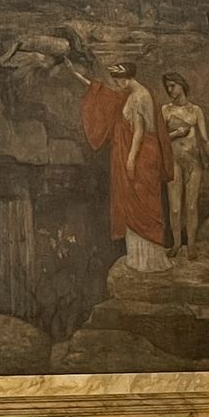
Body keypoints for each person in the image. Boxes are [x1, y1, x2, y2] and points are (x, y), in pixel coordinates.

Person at [68, 60, 174, 272]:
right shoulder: (129, 93)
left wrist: (131, 159)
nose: (116, 85)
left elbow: (139, 131)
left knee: (143, 204)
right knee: (132, 202)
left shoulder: (139, 97)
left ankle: (149, 262)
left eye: (118, 81)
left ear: (127, 78)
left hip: (143, 156)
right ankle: (137, 259)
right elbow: (102, 93)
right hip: (137, 154)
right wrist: (77, 75)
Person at [160, 72, 209, 256]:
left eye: (173, 85)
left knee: (190, 206)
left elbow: (205, 141)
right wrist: (176, 134)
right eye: (168, 86)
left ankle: (191, 246)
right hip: (173, 162)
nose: (170, 89)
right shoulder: (166, 110)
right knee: (174, 207)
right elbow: (159, 139)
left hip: (194, 163)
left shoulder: (196, 111)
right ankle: (176, 244)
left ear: (182, 85)